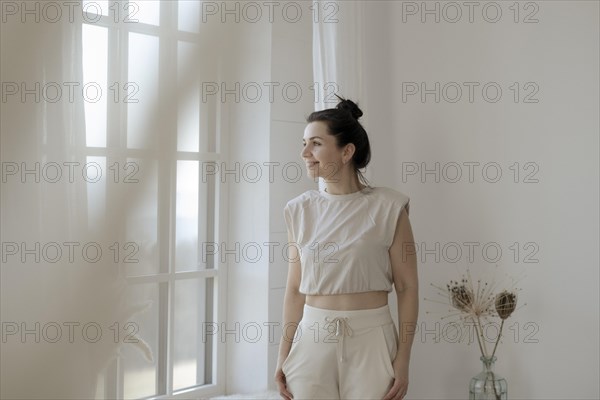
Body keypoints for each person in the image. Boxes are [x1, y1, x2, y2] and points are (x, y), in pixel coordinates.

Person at [274, 95, 419, 400]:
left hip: (372, 340)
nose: (304, 153)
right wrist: (283, 355)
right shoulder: (299, 210)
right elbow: (294, 289)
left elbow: (407, 287)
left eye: (315, 143)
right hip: (311, 340)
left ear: (346, 151)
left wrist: (403, 359)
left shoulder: (389, 207)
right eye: (304, 143)